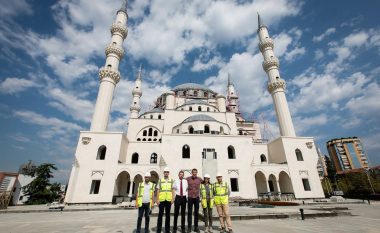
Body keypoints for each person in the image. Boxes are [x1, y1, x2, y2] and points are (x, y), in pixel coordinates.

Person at [156, 167, 175, 233]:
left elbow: (173, 190)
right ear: (164, 173)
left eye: (167, 172)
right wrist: (157, 199)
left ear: (168, 173)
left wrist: (173, 198)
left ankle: (167, 230)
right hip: (161, 200)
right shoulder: (160, 180)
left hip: (168, 200)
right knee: (160, 215)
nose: (166, 173)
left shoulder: (171, 180)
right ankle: (158, 230)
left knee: (168, 215)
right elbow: (158, 190)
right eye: (165, 172)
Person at [186, 168, 203, 233]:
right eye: (193, 172)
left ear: (197, 173)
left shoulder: (199, 179)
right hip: (190, 197)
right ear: (191, 173)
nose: (194, 173)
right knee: (189, 213)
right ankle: (189, 227)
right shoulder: (187, 179)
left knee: (196, 213)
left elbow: (205, 183)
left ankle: (196, 227)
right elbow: (183, 184)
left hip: (196, 198)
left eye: (195, 172)